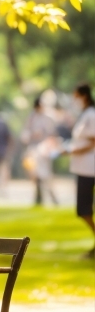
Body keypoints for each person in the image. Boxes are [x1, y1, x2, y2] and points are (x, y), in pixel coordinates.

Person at [64, 84, 95, 259]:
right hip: (84, 167)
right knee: (83, 210)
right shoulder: (85, 115)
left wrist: (71, 151)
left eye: (75, 95)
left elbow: (92, 141)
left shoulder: (91, 115)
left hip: (90, 168)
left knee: (85, 208)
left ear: (82, 95)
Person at [21, 96, 58, 205]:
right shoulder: (32, 117)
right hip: (34, 149)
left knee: (46, 175)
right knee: (36, 175)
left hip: (45, 149)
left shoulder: (48, 117)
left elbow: (52, 134)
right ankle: (39, 198)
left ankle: (54, 199)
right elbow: (25, 134)